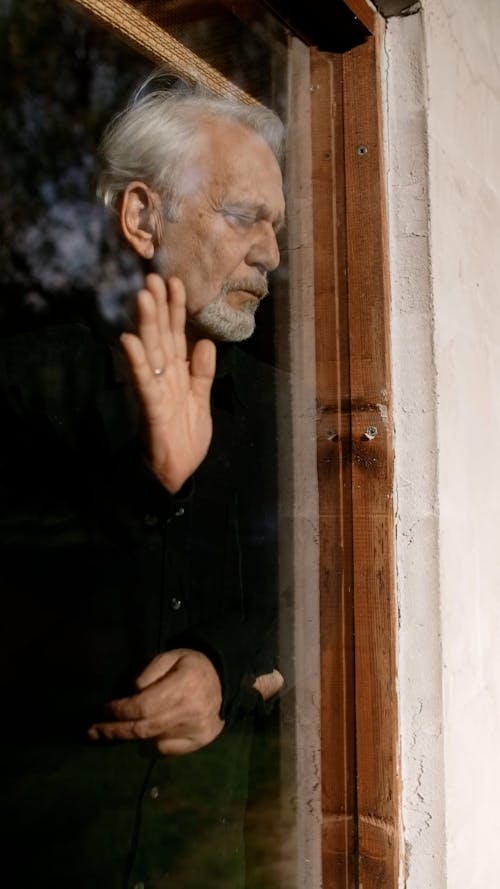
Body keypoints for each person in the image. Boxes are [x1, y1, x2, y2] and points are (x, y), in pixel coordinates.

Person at [0, 73, 286, 888]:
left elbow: (320, 607)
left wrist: (223, 671)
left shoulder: (278, 412)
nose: (269, 252)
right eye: (243, 217)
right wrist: (149, 488)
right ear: (140, 216)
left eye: (276, 227)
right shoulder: (26, 386)